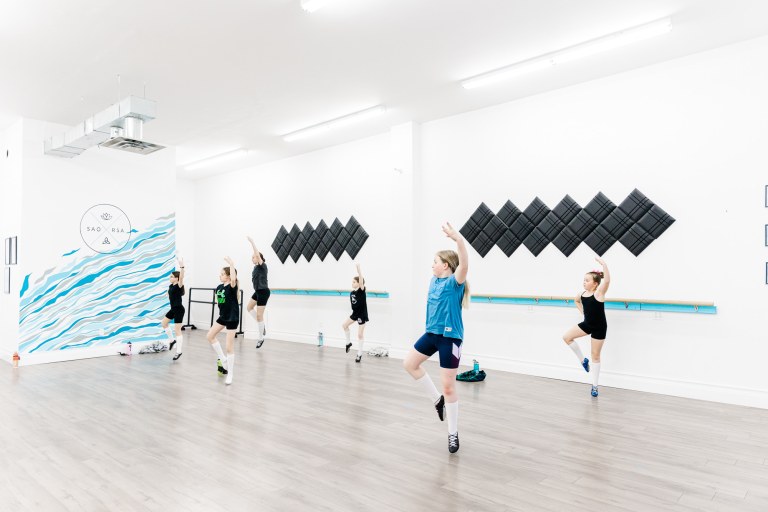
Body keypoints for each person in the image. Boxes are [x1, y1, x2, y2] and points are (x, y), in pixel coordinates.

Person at [403, 223, 469, 453]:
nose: (432, 264)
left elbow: (464, 263)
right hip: (431, 334)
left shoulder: (455, 282)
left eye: (435, 261)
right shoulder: (434, 280)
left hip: (450, 339)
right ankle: (436, 400)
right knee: (409, 364)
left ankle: (452, 433)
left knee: (449, 387)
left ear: (446, 265)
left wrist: (458, 240)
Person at [562, 257, 610, 397]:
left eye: (587, 280)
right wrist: (582, 311)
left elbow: (606, 281)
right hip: (587, 324)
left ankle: (594, 386)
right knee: (567, 337)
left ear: (595, 284)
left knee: (595, 355)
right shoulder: (582, 294)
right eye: (583, 280)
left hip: (599, 327)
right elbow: (576, 300)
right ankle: (583, 360)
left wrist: (604, 265)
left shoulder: (599, 293)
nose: (584, 282)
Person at [206, 257, 239, 385]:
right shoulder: (219, 287)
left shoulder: (232, 286)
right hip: (223, 316)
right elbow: (219, 302)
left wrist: (231, 264)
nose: (220, 276)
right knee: (210, 336)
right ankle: (223, 359)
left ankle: (230, 374)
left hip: (232, 317)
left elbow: (234, 279)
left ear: (229, 276)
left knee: (229, 347)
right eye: (220, 274)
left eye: (222, 274)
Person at [246, 236, 269, 348]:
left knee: (260, 315)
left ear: (258, 257)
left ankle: (261, 338)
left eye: (254, 257)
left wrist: (252, 242)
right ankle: (262, 325)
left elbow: (257, 254)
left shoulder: (262, 266)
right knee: (249, 308)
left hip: (263, 291)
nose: (252, 258)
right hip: (258, 291)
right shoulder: (255, 268)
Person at [160, 257, 185, 360]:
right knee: (164, 323)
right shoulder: (171, 286)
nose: (170, 278)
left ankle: (178, 351)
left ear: (176, 278)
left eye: (171, 277)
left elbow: (182, 277)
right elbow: (170, 294)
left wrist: (182, 266)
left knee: (177, 330)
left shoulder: (179, 285)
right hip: (173, 309)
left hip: (179, 309)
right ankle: (172, 341)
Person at [342, 263, 368, 363]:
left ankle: (359, 354)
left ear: (359, 283)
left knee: (360, 335)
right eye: (352, 282)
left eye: (354, 282)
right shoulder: (352, 293)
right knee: (344, 325)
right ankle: (348, 343)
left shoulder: (361, 291)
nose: (352, 283)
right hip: (355, 314)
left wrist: (359, 270)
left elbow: (361, 282)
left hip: (362, 314)